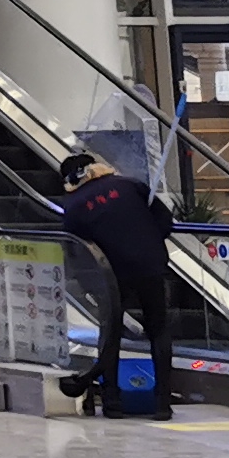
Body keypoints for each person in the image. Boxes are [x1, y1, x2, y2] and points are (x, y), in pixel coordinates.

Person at [59, 152, 175, 421]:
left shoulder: (74, 205)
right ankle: (162, 403)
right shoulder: (130, 185)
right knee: (158, 329)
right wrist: (148, 242)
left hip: (110, 274)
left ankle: (112, 402)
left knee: (110, 334)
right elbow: (165, 219)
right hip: (150, 265)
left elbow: (76, 249)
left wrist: (88, 283)